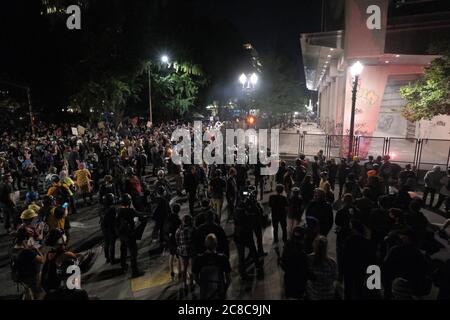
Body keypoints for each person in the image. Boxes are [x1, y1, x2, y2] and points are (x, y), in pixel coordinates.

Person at [382, 228, 432, 300]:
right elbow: (425, 271)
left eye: (402, 236)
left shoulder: (396, 250)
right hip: (413, 287)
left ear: (407, 238)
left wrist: (387, 290)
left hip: (398, 285)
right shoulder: (420, 253)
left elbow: (386, 269)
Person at [342, 219, 378, 300]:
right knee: (359, 288)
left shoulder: (348, 241)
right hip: (362, 268)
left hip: (349, 269)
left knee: (348, 289)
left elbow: (344, 257)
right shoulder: (367, 242)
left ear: (354, 229)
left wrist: (342, 270)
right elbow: (372, 258)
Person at [116, 193, 148, 278]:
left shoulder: (119, 210)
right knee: (133, 253)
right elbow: (140, 214)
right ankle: (135, 272)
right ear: (129, 201)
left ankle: (123, 266)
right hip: (130, 234)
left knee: (123, 250)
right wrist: (147, 213)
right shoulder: (130, 210)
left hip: (122, 234)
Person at [192, 234, 231, 300]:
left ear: (205, 244)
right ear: (216, 244)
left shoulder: (198, 259)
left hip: (205, 292)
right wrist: (224, 289)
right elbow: (228, 279)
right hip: (219, 292)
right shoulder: (223, 258)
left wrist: (203, 285)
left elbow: (195, 277)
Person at [10, 226, 45, 300]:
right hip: (30, 276)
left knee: (27, 291)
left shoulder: (14, 247)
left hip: (20, 275)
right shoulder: (27, 252)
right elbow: (42, 260)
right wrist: (36, 249)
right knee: (38, 293)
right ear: (26, 239)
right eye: (29, 238)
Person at [233, 200, 263, 280]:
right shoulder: (248, 216)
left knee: (241, 257)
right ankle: (258, 267)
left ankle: (243, 273)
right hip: (247, 237)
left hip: (238, 238)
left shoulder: (236, 215)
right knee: (254, 252)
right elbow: (253, 223)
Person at [280, 226, 310, 299]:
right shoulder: (302, 252)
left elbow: (283, 264)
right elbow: (305, 270)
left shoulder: (287, 245)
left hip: (288, 280)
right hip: (299, 284)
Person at [306, 236, 338, 300]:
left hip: (313, 293)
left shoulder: (308, 259)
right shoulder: (332, 263)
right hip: (328, 294)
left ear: (314, 246)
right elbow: (335, 277)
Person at [176, 214, 196, 291]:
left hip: (182, 251)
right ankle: (192, 281)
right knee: (191, 267)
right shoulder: (192, 229)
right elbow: (195, 240)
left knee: (184, 268)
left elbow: (177, 242)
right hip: (191, 250)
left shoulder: (178, 230)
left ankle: (184, 283)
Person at [100, 193, 117, 264]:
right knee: (112, 243)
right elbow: (115, 218)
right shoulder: (112, 209)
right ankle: (112, 259)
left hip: (104, 227)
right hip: (110, 227)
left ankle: (107, 258)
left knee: (106, 242)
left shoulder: (102, 208)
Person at [166, 204, 182, 280]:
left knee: (171, 255)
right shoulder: (178, 220)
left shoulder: (168, 217)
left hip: (170, 238)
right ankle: (179, 273)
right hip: (176, 238)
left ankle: (171, 272)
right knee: (178, 256)